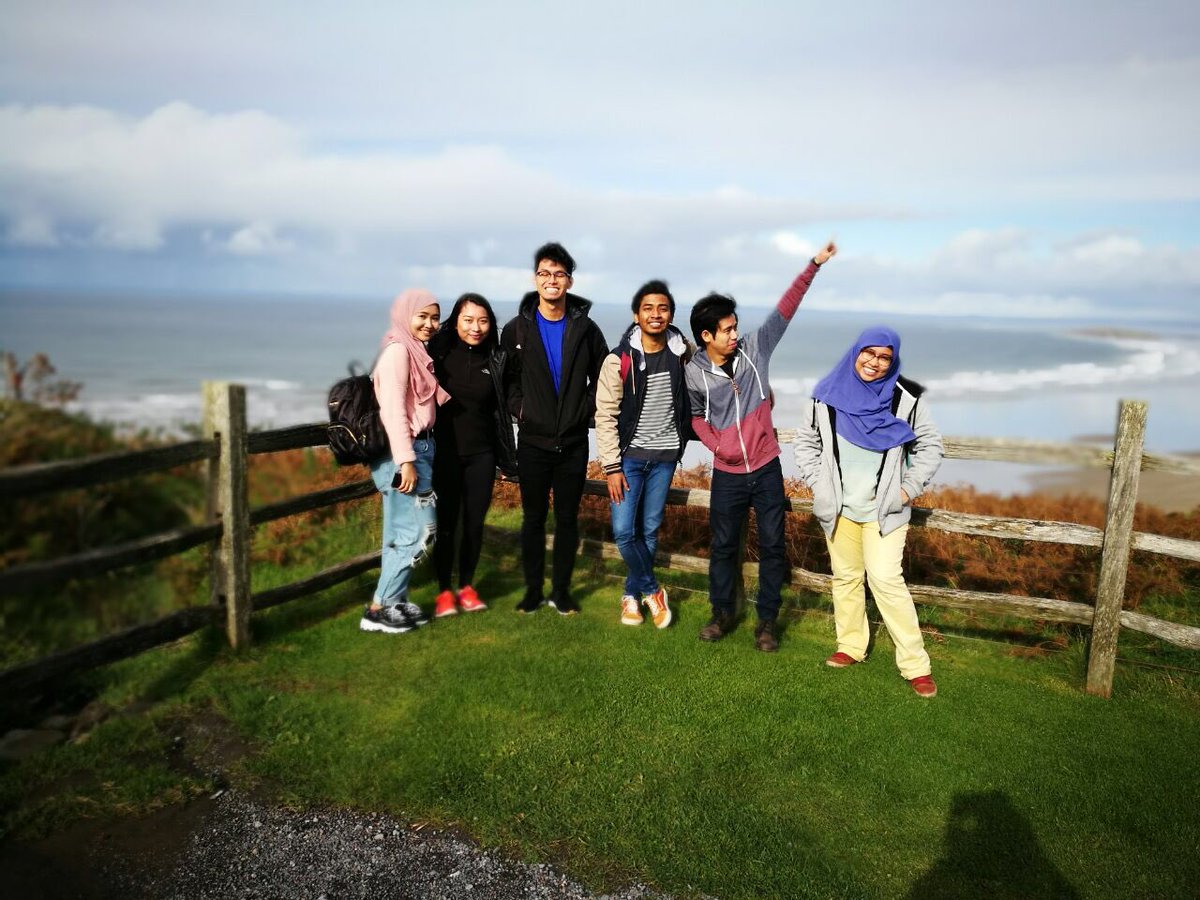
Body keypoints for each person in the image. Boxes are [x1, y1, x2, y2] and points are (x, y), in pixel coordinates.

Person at [686, 240, 837, 651]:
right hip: (728, 475)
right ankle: (722, 614)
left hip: (767, 469)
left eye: (735, 326)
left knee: (773, 546)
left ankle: (767, 622)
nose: (735, 334)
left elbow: (786, 308)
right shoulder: (694, 373)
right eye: (727, 330)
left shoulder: (757, 347)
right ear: (707, 336)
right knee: (723, 547)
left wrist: (813, 265)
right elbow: (695, 416)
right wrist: (718, 446)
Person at [793, 326, 944, 697]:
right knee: (845, 578)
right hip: (839, 509)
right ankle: (850, 646)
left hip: (885, 512)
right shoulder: (826, 395)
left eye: (884, 357)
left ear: (893, 361)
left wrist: (906, 491)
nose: (875, 362)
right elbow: (806, 442)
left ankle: (916, 665)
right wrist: (820, 485)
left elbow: (930, 447)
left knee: (886, 581)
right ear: (856, 351)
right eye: (869, 353)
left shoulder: (906, 400)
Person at [500, 242, 608, 615]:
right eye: (545, 273)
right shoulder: (517, 329)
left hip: (573, 443)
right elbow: (507, 382)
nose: (552, 280)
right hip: (532, 442)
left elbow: (605, 376)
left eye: (559, 274)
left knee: (566, 520)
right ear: (535, 279)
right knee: (532, 519)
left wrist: (584, 408)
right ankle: (533, 591)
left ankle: (561, 592)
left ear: (569, 281)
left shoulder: (586, 328)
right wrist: (521, 409)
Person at [595, 280, 692, 629]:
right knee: (624, 532)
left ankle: (631, 597)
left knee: (649, 530)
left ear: (671, 315)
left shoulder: (683, 354)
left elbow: (709, 377)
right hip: (629, 460)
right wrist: (611, 466)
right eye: (648, 308)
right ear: (636, 315)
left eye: (663, 308)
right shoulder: (618, 359)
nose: (655, 314)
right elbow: (605, 414)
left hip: (664, 458)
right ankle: (652, 590)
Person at [359, 289, 449, 634]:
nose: (430, 324)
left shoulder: (414, 350)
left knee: (399, 534)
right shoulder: (398, 352)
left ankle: (394, 601)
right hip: (405, 454)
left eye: (435, 317)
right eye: (422, 316)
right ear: (404, 315)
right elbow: (393, 412)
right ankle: (379, 606)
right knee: (421, 532)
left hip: (419, 449)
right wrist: (406, 461)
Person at [427, 293, 518, 617]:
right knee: (446, 524)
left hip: (482, 455)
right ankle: (443, 591)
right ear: (456, 322)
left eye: (483, 321)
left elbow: (511, 398)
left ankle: (466, 586)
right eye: (468, 320)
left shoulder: (496, 359)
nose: (475, 328)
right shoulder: (436, 353)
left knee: (474, 525)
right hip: (444, 454)